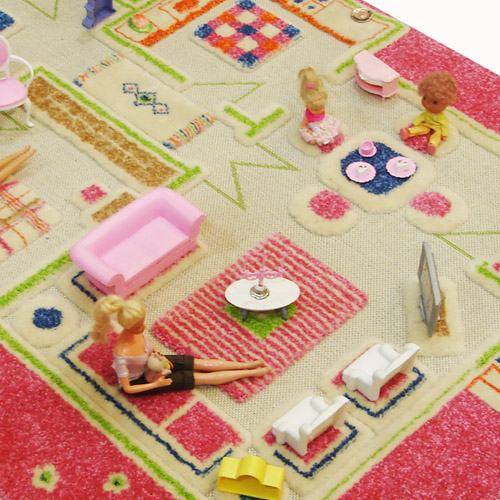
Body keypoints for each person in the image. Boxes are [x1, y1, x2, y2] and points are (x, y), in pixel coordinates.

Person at [91, 295, 271, 394]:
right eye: (139, 327)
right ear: (127, 326)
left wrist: (158, 354)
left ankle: (246, 365)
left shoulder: (135, 333)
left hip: (155, 360)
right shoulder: (122, 354)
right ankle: (250, 373)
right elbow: (128, 388)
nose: (143, 328)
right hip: (144, 379)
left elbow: (148, 343)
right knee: (199, 378)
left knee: (198, 363)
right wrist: (156, 385)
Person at [399, 72, 457, 155]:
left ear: (446, 103)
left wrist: (444, 135)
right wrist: (415, 123)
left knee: (437, 135)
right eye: (424, 98)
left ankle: (432, 144)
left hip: (437, 128)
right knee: (421, 128)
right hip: (427, 124)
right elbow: (422, 116)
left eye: (435, 103)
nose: (428, 105)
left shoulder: (441, 117)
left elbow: (444, 126)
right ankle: (408, 132)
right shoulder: (426, 113)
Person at [298, 67, 342, 153]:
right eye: (315, 110)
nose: (319, 111)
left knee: (334, 131)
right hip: (315, 128)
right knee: (312, 140)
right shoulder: (307, 116)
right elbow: (303, 125)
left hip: (324, 123)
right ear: (307, 106)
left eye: (322, 108)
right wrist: (308, 131)